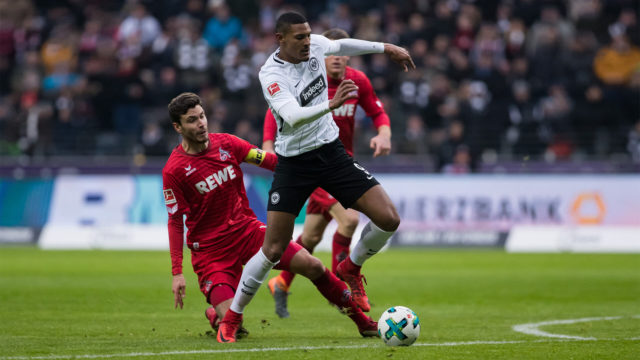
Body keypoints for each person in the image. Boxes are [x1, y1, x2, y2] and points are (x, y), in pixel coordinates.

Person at [217, 12, 414, 343]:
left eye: (309, 35)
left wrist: (386, 47)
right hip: (294, 164)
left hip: (332, 155)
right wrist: (331, 103)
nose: (308, 41)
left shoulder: (317, 46)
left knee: (388, 219)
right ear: (280, 39)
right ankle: (232, 318)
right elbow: (292, 116)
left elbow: (342, 43)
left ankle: (350, 267)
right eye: (300, 37)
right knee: (273, 249)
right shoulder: (271, 73)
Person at [162, 92, 378, 343]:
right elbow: (176, 221)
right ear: (178, 127)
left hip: (249, 233)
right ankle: (216, 315)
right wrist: (177, 272)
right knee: (234, 322)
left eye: (202, 116)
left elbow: (271, 162)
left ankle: (363, 323)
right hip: (212, 253)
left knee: (314, 266)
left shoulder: (228, 144)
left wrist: (313, 167)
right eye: (191, 120)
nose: (201, 123)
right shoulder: (174, 170)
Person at [262, 28, 393, 319]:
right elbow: (277, 114)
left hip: (337, 165)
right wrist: (269, 146)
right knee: (349, 220)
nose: (338, 60)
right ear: (323, 56)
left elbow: (377, 112)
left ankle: (280, 282)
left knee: (309, 238)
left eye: (344, 55)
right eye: (335, 54)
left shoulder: (357, 81)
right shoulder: (306, 81)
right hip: (306, 165)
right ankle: (344, 288)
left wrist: (384, 133)